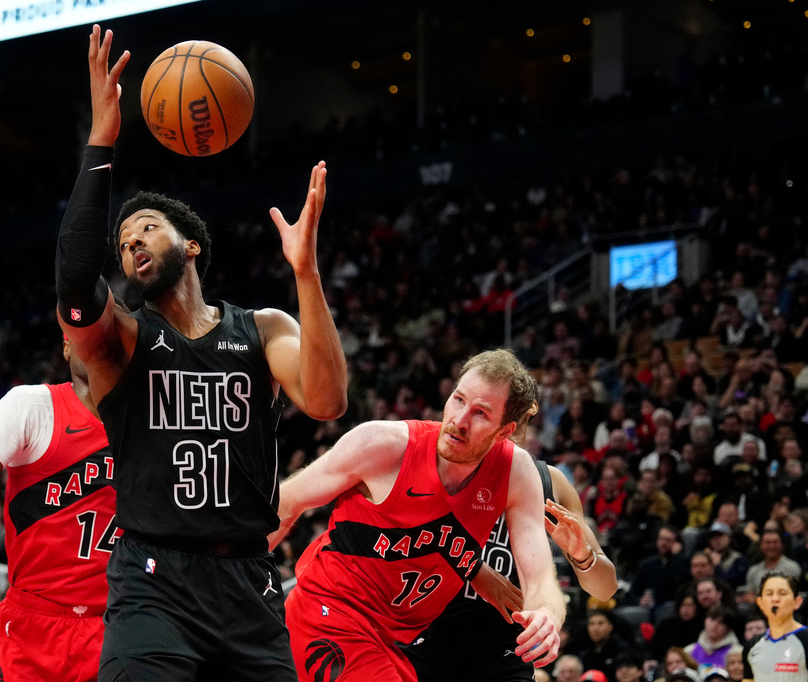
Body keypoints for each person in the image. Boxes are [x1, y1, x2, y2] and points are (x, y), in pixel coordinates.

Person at [55, 26, 348, 681]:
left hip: (248, 579)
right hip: (153, 582)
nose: (131, 244)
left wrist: (307, 275)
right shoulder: (123, 343)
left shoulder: (263, 328)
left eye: (147, 229)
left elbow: (327, 401)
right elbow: (75, 281)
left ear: (189, 245)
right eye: (124, 241)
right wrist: (102, 138)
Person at [271, 350, 565, 681]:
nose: (459, 420)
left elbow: (540, 576)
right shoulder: (383, 445)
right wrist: (236, 584)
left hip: (395, 641)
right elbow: (284, 504)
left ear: (504, 431)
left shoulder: (516, 472)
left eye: (480, 413)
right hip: (330, 611)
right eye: (458, 399)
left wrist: (547, 615)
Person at [0, 337, 116, 680]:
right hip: (36, 625)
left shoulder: (151, 418)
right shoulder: (31, 405)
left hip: (120, 619)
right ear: (65, 345)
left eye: (108, 331)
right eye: (86, 330)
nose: (97, 340)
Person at [404, 402, 617, 681]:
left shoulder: (550, 481)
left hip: (504, 650)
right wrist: (475, 570)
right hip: (428, 638)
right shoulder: (447, 464)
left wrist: (582, 556)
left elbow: (605, 589)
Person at [743, 572, 808, 682]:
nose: (775, 599)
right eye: (769, 593)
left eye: (782, 593)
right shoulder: (751, 646)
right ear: (760, 603)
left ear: (797, 602)